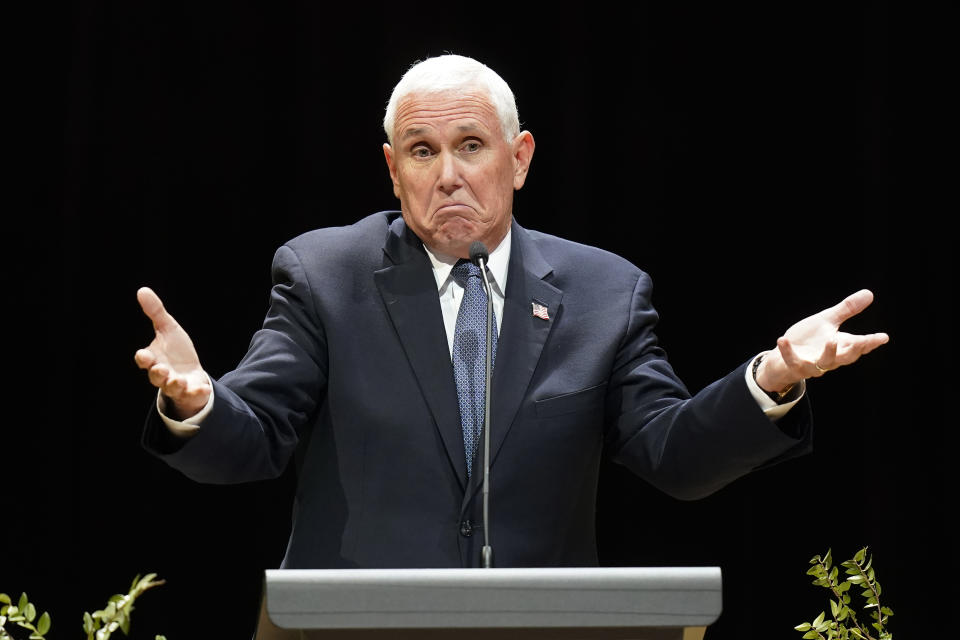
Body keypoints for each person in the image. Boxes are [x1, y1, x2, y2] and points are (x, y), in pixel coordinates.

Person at [136, 54, 888, 569]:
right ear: (393, 169)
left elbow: (675, 457)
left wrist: (772, 377)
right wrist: (199, 404)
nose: (450, 175)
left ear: (520, 158)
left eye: (471, 145)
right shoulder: (325, 276)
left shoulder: (603, 293)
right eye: (423, 152)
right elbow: (253, 439)